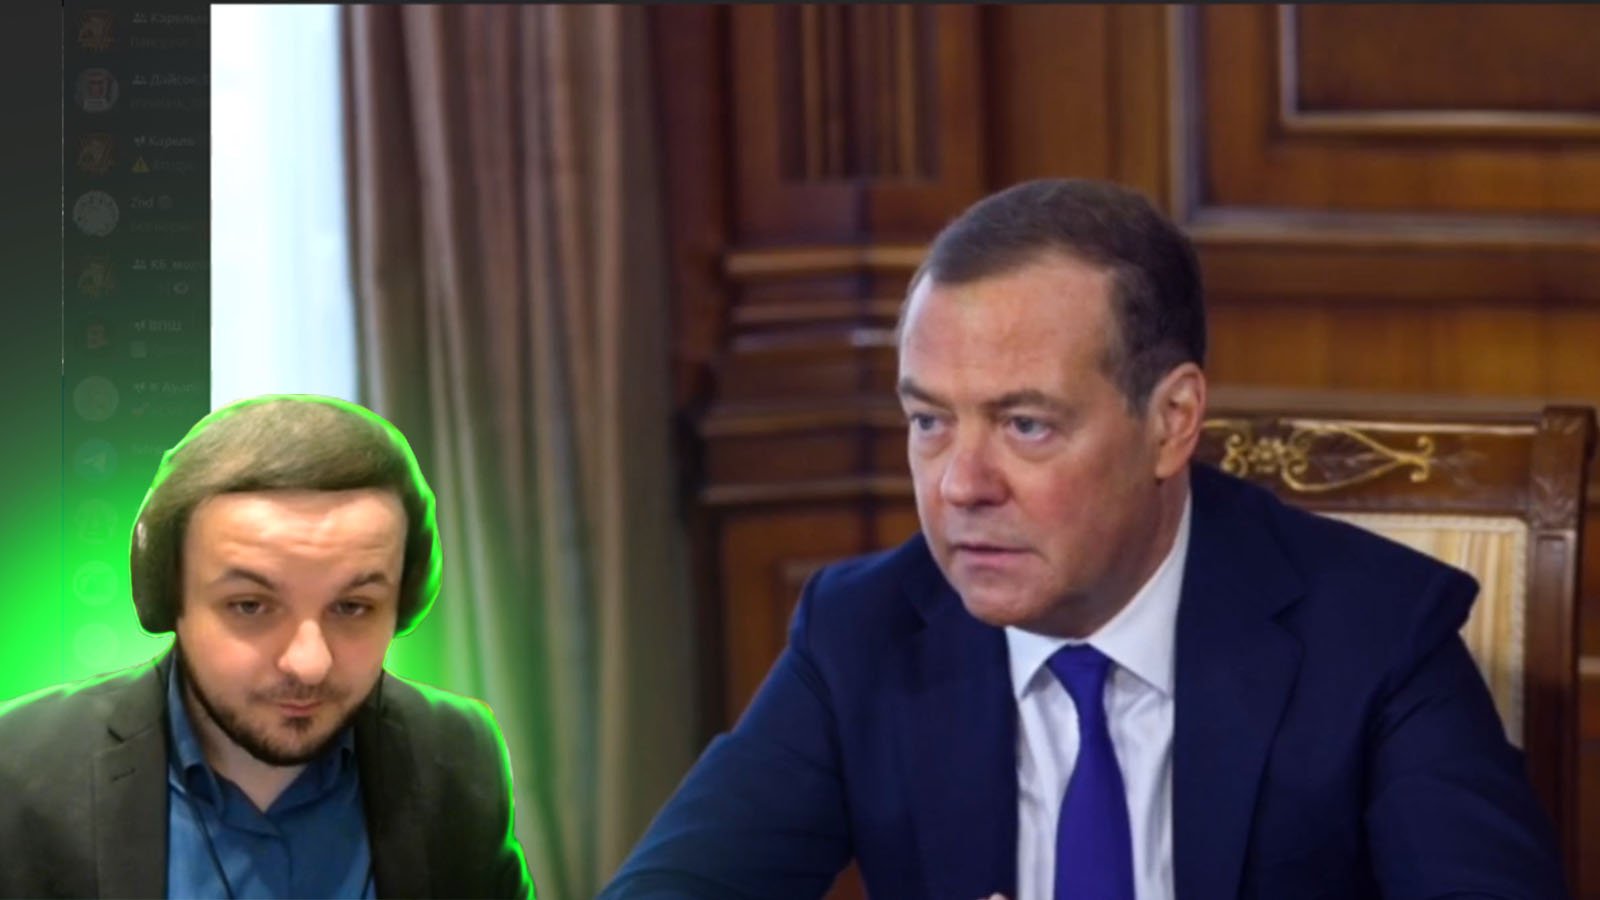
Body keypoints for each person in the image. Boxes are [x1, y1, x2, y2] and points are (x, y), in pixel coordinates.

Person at [599, 179, 1568, 899]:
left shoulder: (1374, 636)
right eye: (929, 420)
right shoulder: (864, 634)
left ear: (1171, 422)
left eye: (1026, 425)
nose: (960, 485)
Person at [0, 395, 535, 899]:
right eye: (251, 606)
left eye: (353, 607)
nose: (309, 663)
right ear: (169, 597)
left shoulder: (457, 753)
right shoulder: (21, 770)